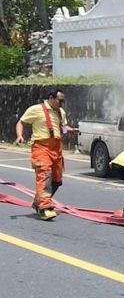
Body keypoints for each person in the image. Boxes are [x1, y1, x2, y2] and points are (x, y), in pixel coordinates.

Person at [14, 89, 78, 221]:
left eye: (63, 101)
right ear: (51, 98)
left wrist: (71, 130)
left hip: (56, 147)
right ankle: (45, 208)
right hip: (41, 147)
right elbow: (21, 122)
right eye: (60, 100)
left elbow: (62, 127)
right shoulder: (36, 109)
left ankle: (39, 202)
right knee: (45, 175)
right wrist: (20, 136)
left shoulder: (61, 112)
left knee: (56, 180)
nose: (62, 103)